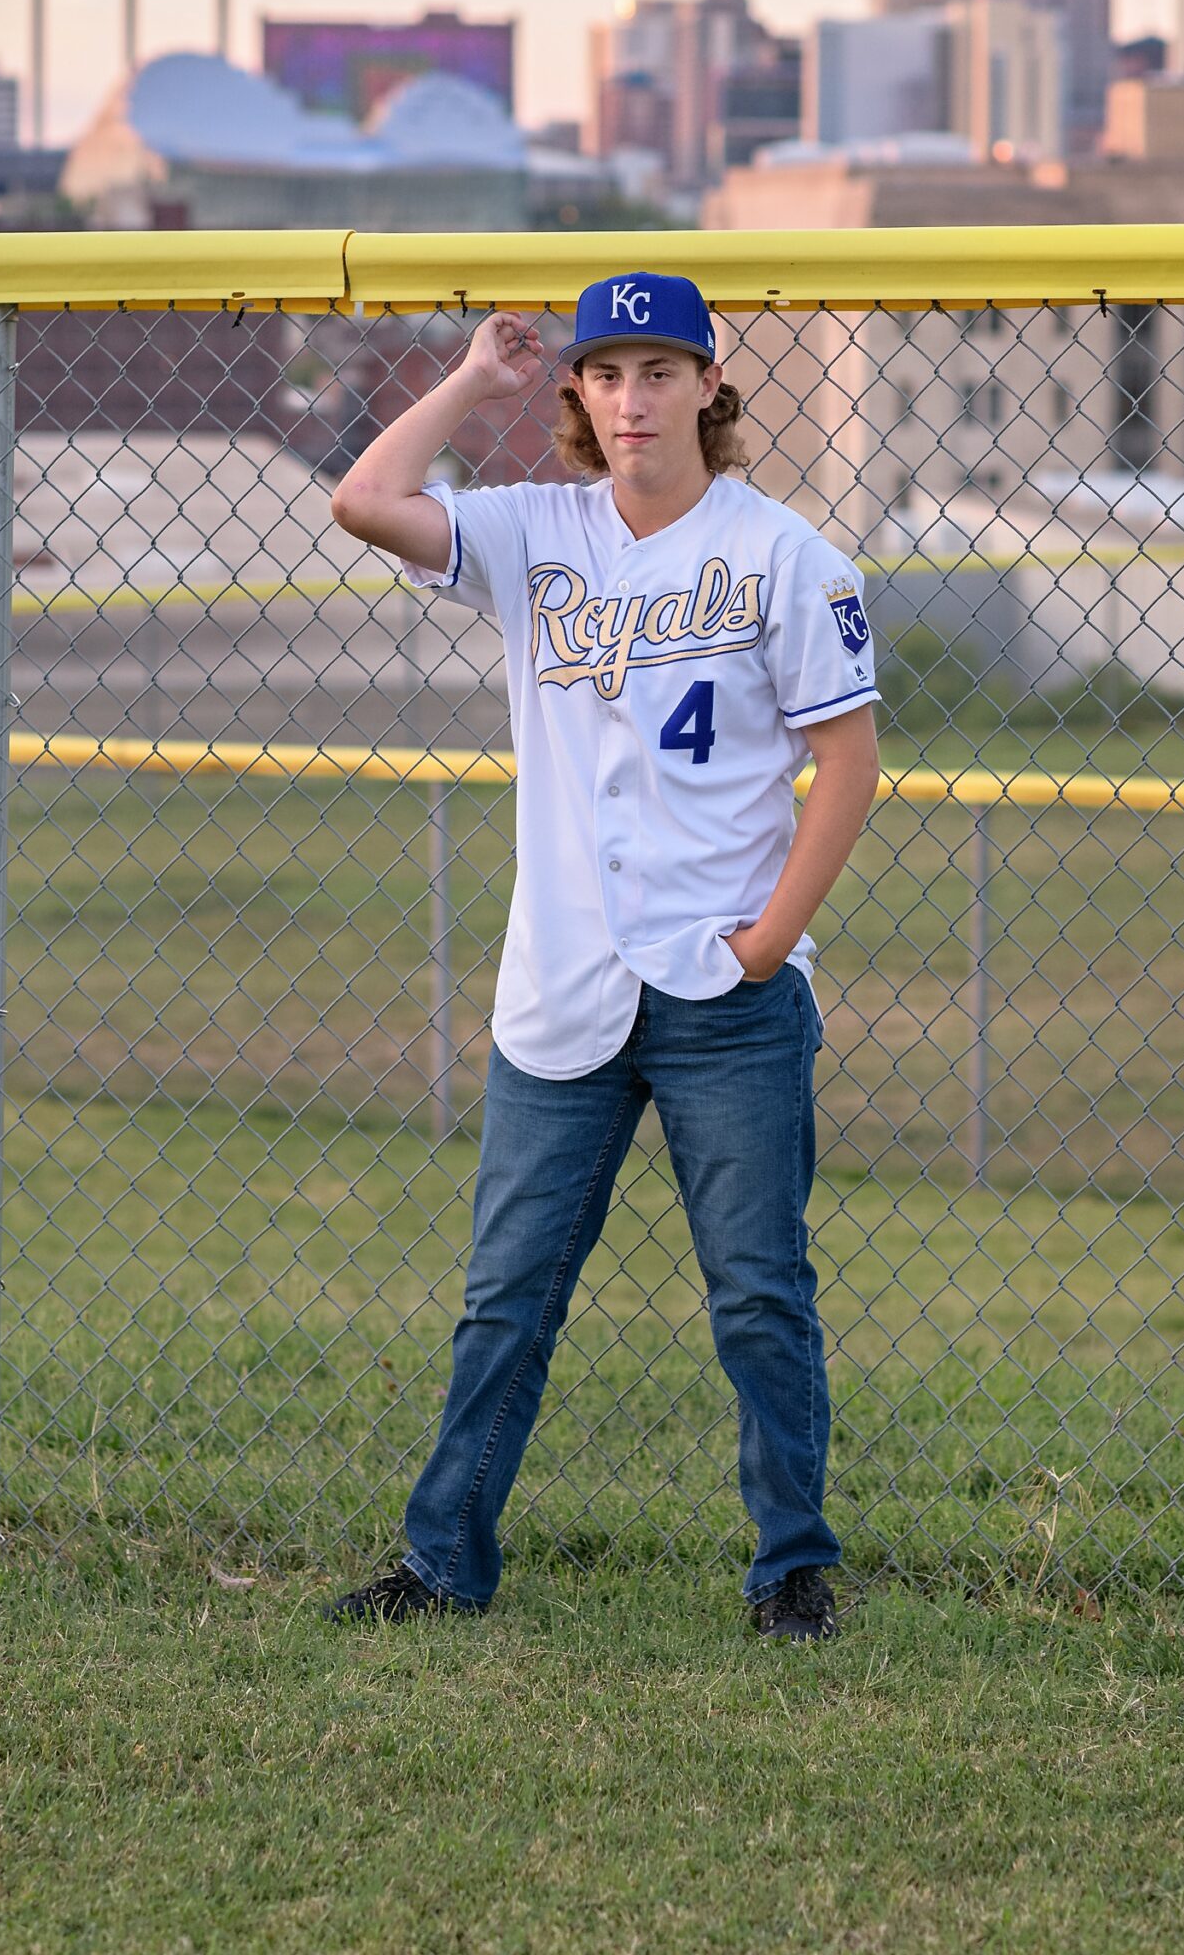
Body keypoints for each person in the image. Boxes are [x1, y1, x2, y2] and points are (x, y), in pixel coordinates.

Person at [325, 271, 880, 1641]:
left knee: (758, 1292)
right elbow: (363, 500)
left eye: (659, 370)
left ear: (710, 386)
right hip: (564, 983)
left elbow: (849, 765)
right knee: (505, 1298)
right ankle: (442, 1562)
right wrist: (471, 381)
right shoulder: (535, 533)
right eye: (606, 372)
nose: (632, 398)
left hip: (723, 989)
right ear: (578, 392)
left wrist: (769, 947)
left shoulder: (784, 554)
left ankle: (791, 1568)